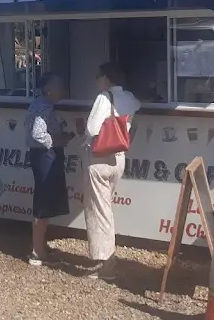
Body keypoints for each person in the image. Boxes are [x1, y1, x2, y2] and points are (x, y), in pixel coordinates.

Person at [83, 62, 141, 280]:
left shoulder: (104, 98)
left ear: (105, 78)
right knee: (106, 209)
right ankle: (109, 259)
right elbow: (136, 112)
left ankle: (107, 263)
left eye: (98, 77)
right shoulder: (129, 97)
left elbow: (91, 128)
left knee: (100, 211)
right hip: (119, 158)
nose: (96, 81)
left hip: (99, 158)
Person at [25, 73, 74, 266]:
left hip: (42, 155)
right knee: (43, 203)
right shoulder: (44, 106)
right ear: (48, 89)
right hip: (45, 156)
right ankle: (37, 252)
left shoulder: (39, 103)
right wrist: (57, 141)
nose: (63, 89)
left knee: (43, 201)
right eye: (59, 85)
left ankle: (39, 247)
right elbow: (38, 134)